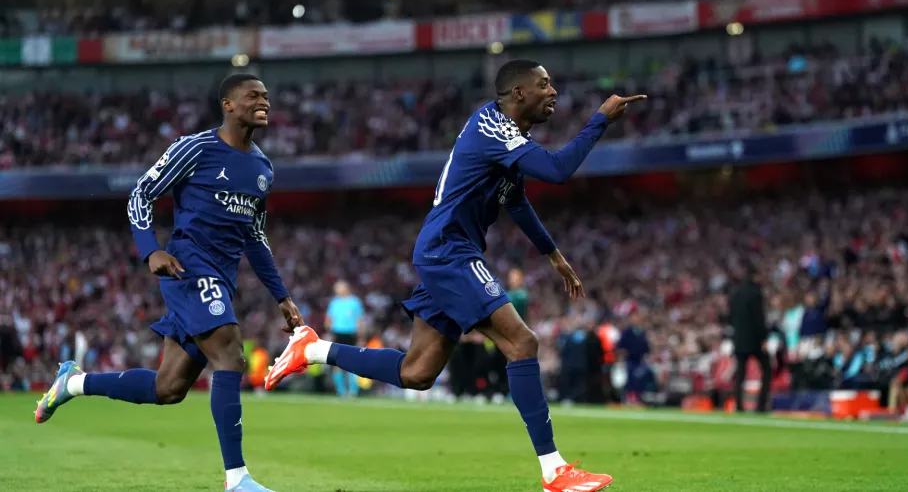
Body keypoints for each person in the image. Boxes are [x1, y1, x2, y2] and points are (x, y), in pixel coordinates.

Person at [265, 59, 644, 492]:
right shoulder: (493, 127)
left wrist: (553, 255)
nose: (553, 91)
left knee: (418, 372)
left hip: (446, 250)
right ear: (518, 93)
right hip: (449, 249)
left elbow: (516, 201)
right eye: (544, 84)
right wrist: (600, 120)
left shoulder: (512, 139)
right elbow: (558, 171)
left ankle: (314, 350)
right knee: (522, 342)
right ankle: (554, 469)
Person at [34, 74, 303, 492]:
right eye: (253, 96)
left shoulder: (263, 168)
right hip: (188, 265)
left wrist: (282, 296)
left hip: (222, 276)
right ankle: (238, 480)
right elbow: (140, 193)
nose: (264, 101)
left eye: (267, 96)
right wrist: (150, 249)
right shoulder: (194, 149)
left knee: (169, 387)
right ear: (228, 104)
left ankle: (72, 383)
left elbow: (255, 236)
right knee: (230, 354)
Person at [729, 262, 771, 413]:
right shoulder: (756, 293)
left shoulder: (736, 293)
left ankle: (739, 406)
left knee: (740, 374)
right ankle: (761, 406)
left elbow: (731, 316)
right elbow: (759, 319)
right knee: (766, 370)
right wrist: (764, 338)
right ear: (755, 276)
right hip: (754, 341)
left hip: (739, 340)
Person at [325, 280, 364, 397]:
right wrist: (329, 331)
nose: (337, 291)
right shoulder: (334, 303)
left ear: (346, 288)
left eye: (339, 288)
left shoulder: (355, 302)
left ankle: (353, 391)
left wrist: (361, 336)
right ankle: (341, 391)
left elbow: (360, 320)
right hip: (337, 333)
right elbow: (329, 319)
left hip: (351, 334)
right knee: (337, 363)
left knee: (353, 362)